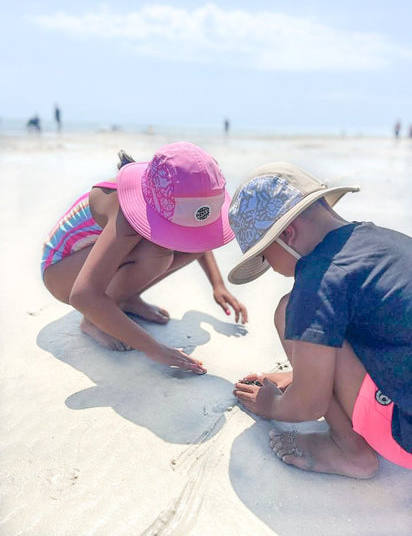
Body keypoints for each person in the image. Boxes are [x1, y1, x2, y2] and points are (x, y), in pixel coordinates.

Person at [229, 162, 412, 478]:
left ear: (287, 233)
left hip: (404, 435)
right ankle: (315, 372)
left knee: (289, 310)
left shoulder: (320, 276)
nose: (268, 266)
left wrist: (271, 404)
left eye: (263, 254)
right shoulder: (384, 241)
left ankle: (349, 451)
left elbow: (308, 406)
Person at [41, 142, 247, 374]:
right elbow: (82, 295)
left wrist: (217, 285)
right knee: (156, 253)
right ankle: (93, 319)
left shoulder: (159, 194)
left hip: (92, 263)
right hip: (60, 272)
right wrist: (153, 348)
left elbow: (197, 240)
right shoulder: (126, 216)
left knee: (187, 247)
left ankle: (124, 298)